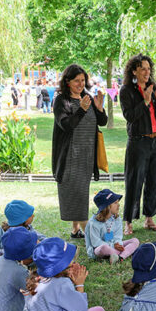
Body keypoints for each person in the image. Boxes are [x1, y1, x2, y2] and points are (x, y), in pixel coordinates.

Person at [21, 238, 115, 311]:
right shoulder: (60, 284)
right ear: (61, 264)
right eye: (70, 259)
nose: (73, 260)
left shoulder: (35, 279)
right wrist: (79, 285)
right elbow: (81, 309)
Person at [51, 64, 107, 239]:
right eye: (77, 81)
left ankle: (75, 229)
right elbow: (67, 125)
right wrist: (82, 109)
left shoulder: (86, 97)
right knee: (75, 194)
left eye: (83, 80)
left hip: (86, 156)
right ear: (67, 81)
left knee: (81, 193)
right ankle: (93, 238)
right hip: (70, 157)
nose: (81, 84)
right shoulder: (61, 100)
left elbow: (103, 121)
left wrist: (99, 108)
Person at [120, 53, 156, 234]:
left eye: (149, 69)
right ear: (134, 71)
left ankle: (149, 218)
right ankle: (129, 222)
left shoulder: (153, 87)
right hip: (138, 141)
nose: (147, 73)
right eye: (142, 69)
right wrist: (146, 101)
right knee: (135, 180)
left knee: (155, 181)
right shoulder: (127, 91)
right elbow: (130, 116)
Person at [84, 189, 140, 264]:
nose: (118, 205)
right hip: (99, 249)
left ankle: (120, 258)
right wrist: (113, 246)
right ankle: (124, 253)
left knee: (135, 241)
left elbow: (118, 236)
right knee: (103, 248)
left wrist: (118, 243)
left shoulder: (117, 219)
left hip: (114, 246)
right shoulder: (93, 223)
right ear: (107, 206)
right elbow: (96, 242)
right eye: (115, 203)